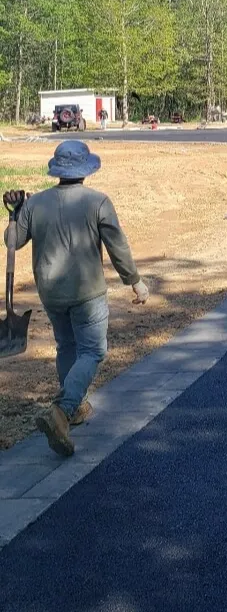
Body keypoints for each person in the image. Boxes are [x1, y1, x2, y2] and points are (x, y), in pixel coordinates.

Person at [3, 141, 150, 457]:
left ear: (56, 170)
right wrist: (135, 282)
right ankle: (61, 410)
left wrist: (14, 216)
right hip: (87, 292)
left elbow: (12, 242)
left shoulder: (35, 203)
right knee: (94, 349)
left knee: (67, 347)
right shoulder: (97, 202)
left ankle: (76, 408)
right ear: (86, 169)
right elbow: (117, 247)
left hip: (51, 292)